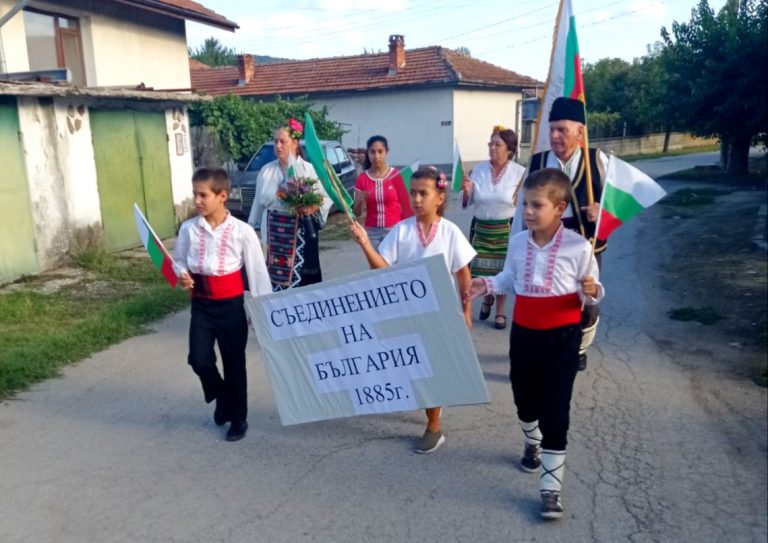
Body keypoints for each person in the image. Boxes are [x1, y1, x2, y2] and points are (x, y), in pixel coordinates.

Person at [467, 168, 604, 520]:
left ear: (559, 208)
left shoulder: (579, 247)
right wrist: (488, 285)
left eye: (536, 205)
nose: (527, 211)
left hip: (562, 338)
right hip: (525, 333)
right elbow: (510, 278)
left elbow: (593, 296)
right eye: (524, 204)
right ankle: (532, 438)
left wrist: (592, 293)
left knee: (556, 411)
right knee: (524, 400)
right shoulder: (517, 243)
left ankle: (551, 489)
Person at [349, 166, 475, 454]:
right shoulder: (402, 231)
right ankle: (427, 403)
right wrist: (366, 244)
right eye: (413, 193)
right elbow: (381, 268)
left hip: (439, 314)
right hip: (407, 313)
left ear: (439, 198)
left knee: (434, 369)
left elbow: (463, 274)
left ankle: (433, 426)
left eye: (424, 193)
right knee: (412, 367)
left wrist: (465, 311)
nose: (417, 199)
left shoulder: (450, 233)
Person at [173, 168, 272, 442]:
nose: (197, 201)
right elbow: (178, 260)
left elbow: (257, 272)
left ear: (222, 196)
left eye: (203, 195)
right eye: (195, 194)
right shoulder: (189, 229)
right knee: (199, 358)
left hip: (230, 307)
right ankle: (222, 396)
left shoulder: (242, 232)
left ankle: (238, 418)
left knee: (234, 363)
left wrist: (260, 309)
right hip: (201, 305)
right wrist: (181, 273)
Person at [524, 96, 609, 371]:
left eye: (562, 129)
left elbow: (617, 205)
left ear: (580, 132)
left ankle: (579, 348)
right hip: (544, 244)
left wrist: (602, 210)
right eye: (551, 130)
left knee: (585, 302)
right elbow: (522, 209)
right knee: (545, 299)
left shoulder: (596, 160)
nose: (555, 136)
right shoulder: (537, 163)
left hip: (585, 246)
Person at [247, 120, 332, 290]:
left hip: (298, 234)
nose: (277, 146)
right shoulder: (266, 171)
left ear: (294, 143)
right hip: (271, 233)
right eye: (275, 141)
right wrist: (250, 233)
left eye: (282, 141)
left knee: (300, 284)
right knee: (271, 280)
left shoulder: (308, 170)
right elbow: (257, 204)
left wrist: (311, 207)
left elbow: (325, 198)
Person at [461, 126, 526, 330]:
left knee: (502, 270)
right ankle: (487, 298)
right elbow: (466, 203)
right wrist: (466, 191)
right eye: (491, 144)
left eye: (498, 145)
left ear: (510, 149)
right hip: (481, 227)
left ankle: (499, 311)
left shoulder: (520, 173)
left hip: (505, 228)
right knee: (481, 269)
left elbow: (523, 203)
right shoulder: (479, 170)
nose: (492, 148)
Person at [353, 135, 413, 247]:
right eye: (372, 152)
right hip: (372, 232)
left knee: (394, 264)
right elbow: (357, 213)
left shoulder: (396, 175)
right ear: (368, 153)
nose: (376, 156)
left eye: (380, 152)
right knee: (377, 264)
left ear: (387, 152)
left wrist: (408, 230)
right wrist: (360, 201)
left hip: (395, 230)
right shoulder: (362, 179)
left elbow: (407, 206)